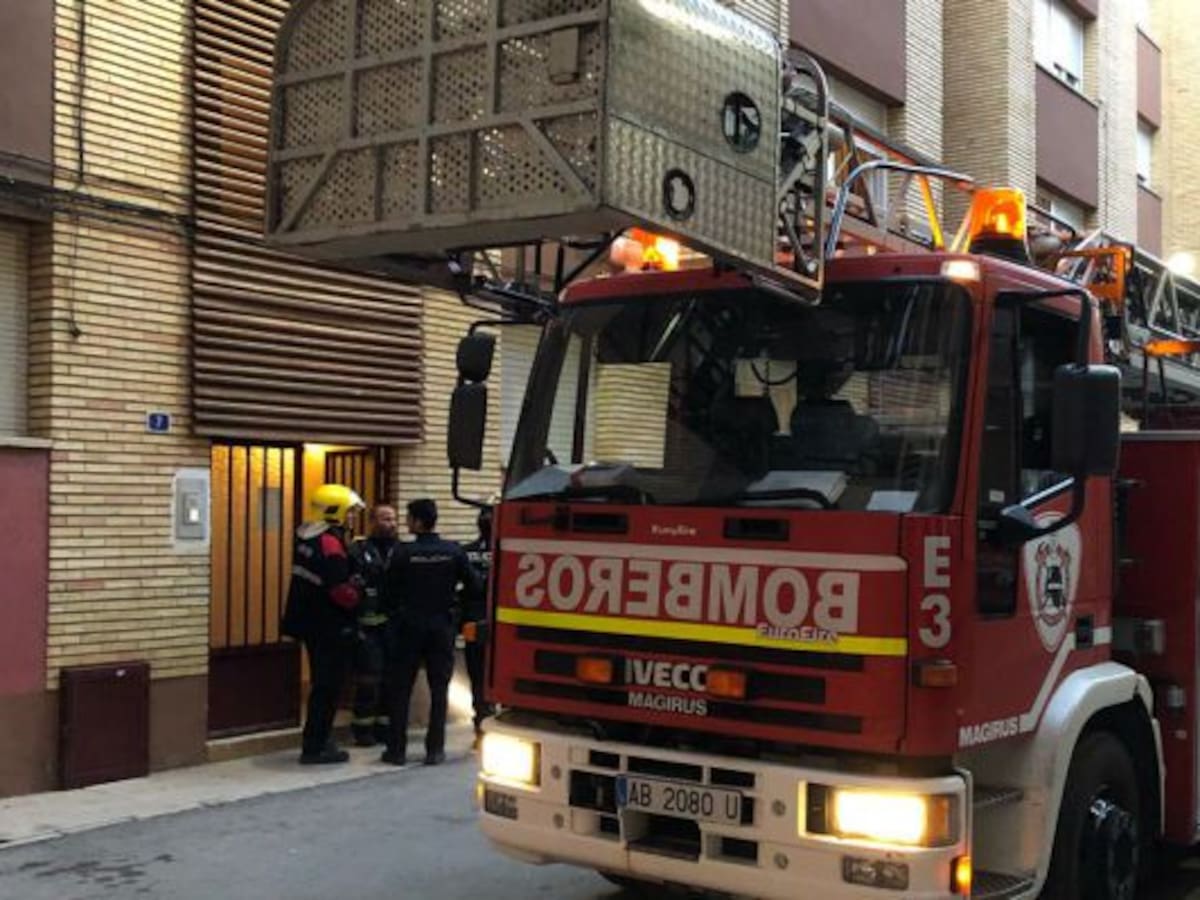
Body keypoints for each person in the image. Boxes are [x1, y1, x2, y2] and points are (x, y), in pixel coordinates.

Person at [383, 498, 480, 766]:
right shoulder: (453, 551)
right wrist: (454, 605)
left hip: (409, 627)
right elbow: (475, 585)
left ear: (416, 521)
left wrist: (396, 614)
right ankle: (435, 749)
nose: (405, 522)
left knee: (401, 689)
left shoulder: (403, 553)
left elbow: (387, 591)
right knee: (439, 690)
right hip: (441, 627)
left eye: (408, 517)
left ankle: (397, 750)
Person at [281, 483, 364, 765]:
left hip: (309, 623)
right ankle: (316, 746)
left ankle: (316, 740)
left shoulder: (305, 536)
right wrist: (359, 593)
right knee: (328, 687)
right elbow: (340, 590)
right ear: (334, 512)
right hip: (329, 626)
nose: (352, 517)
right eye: (349, 512)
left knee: (321, 684)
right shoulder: (329, 543)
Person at [348, 504, 400, 747]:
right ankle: (362, 730)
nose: (391, 523)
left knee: (391, 679)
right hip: (367, 627)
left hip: (394, 627)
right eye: (385, 518)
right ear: (372, 522)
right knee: (368, 679)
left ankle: (385, 727)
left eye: (393, 519)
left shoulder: (402, 550)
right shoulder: (359, 550)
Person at [460, 506, 495, 745]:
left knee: (479, 680)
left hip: (475, 625)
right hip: (499, 625)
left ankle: (482, 730)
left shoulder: (465, 552)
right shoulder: (508, 551)